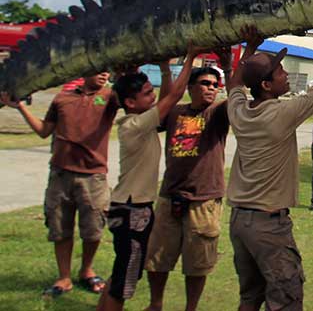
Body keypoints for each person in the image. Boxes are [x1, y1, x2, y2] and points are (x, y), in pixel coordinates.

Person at [227, 25, 313, 311]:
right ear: (267, 85)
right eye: (279, 71)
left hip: (240, 221)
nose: (285, 74)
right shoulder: (281, 113)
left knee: (250, 296)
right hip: (268, 225)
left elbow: (234, 86)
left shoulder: (241, 111)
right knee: (286, 297)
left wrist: (249, 49)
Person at [1, 70, 118, 297]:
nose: (104, 73)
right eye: (99, 68)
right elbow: (45, 131)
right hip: (60, 175)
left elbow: (134, 101)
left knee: (93, 229)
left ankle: (87, 270)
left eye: (107, 70)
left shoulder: (110, 97)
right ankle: (64, 277)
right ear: (85, 69)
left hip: (93, 176)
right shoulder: (62, 98)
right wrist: (21, 107)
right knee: (59, 227)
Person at [96, 50, 197, 311]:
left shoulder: (139, 122)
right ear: (130, 102)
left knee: (121, 271)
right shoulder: (135, 126)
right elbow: (173, 96)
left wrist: (165, 68)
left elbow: (165, 98)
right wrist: (191, 56)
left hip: (129, 208)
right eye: (146, 94)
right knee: (125, 280)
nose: (153, 98)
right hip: (133, 211)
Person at [145, 49, 234, 311]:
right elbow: (163, 106)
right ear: (190, 87)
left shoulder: (218, 114)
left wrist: (228, 67)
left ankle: (190, 308)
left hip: (204, 200)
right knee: (157, 256)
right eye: (205, 83)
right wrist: (165, 68)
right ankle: (155, 304)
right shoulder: (175, 113)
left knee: (197, 262)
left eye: (215, 85)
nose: (211, 89)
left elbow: (235, 98)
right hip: (169, 194)